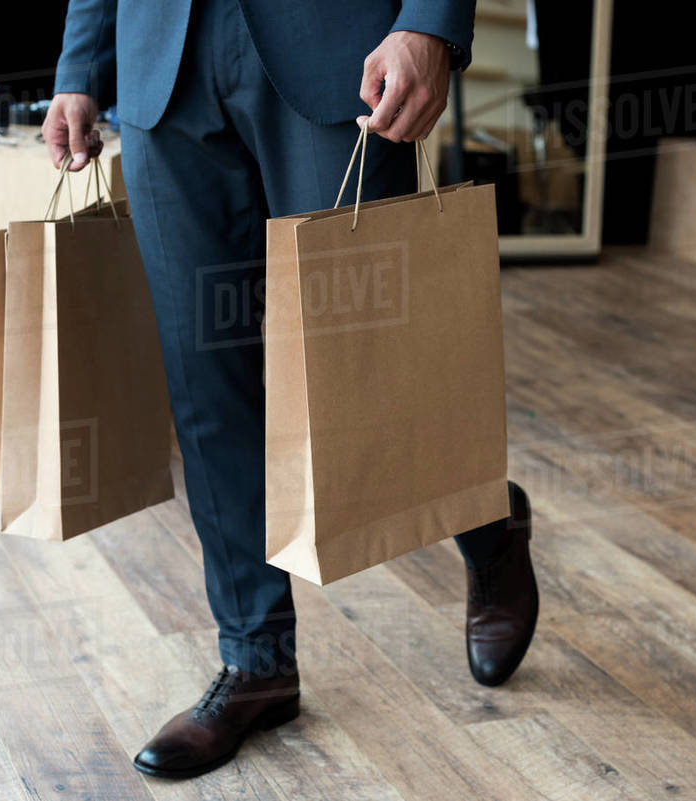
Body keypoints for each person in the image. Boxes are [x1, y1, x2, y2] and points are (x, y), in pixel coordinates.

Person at [43, 0, 538, 779]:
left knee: (374, 367)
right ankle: (256, 660)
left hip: (339, 49)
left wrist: (431, 21)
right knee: (205, 383)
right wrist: (81, 66)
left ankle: (488, 520)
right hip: (160, 63)